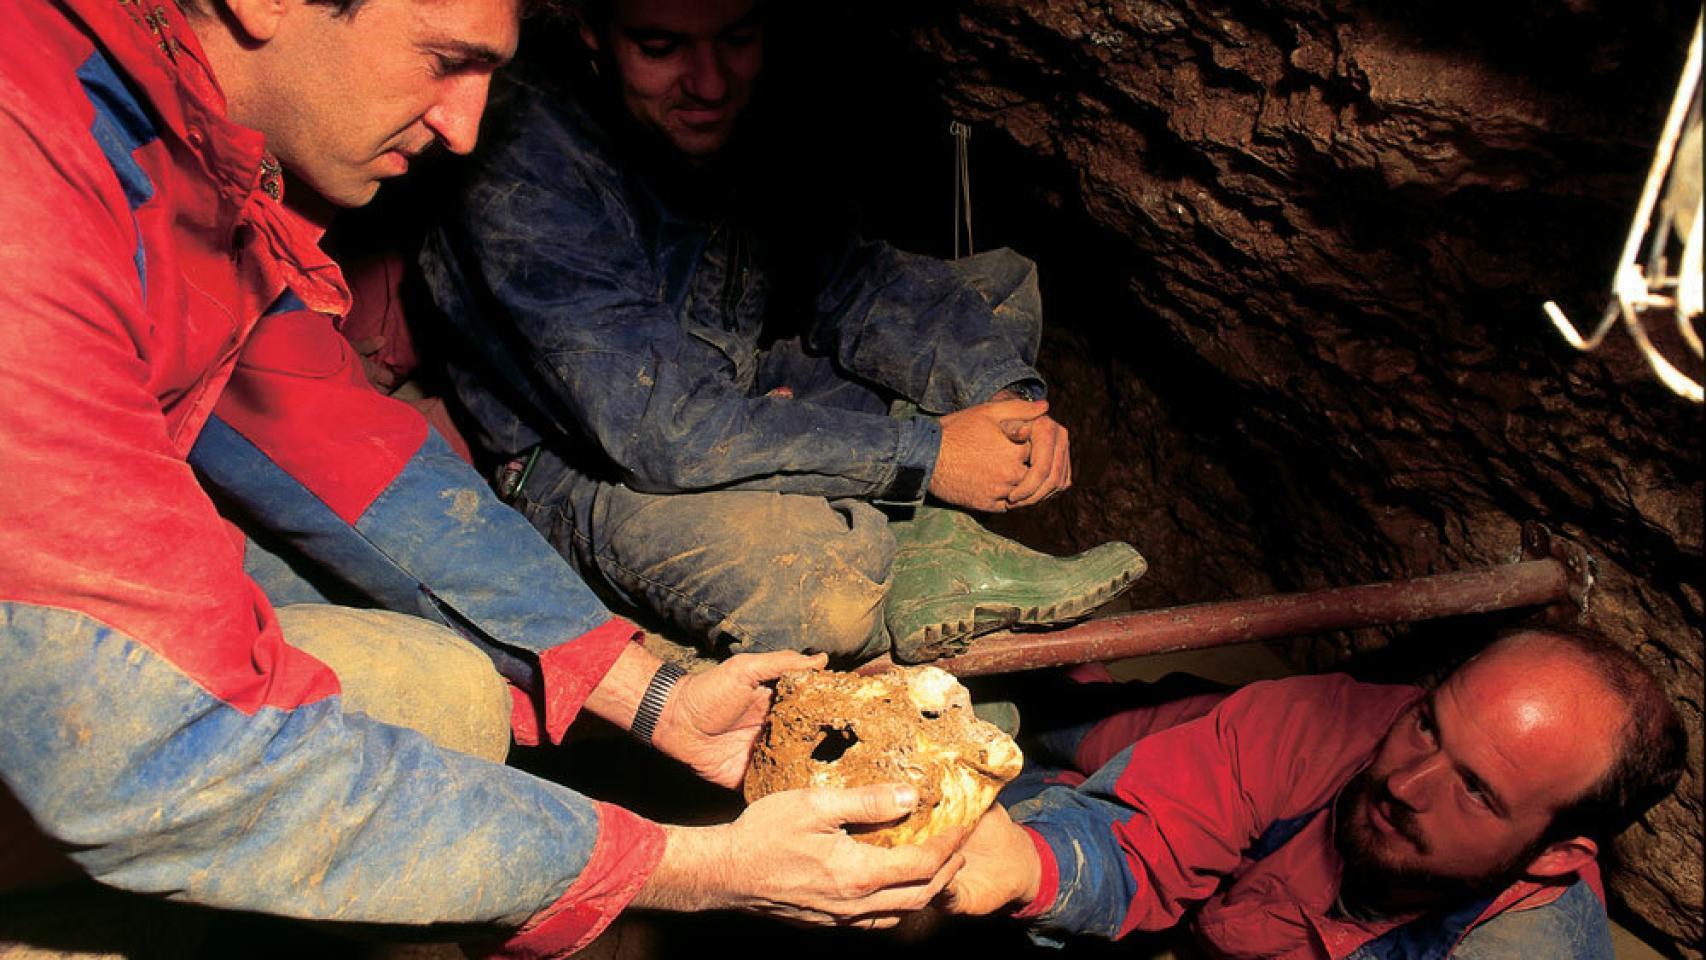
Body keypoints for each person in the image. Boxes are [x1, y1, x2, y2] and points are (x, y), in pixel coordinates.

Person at [0, 0, 965, 954]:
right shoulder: (28, 174)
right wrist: (679, 868)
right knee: (377, 719)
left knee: (442, 692)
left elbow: (333, 441)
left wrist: (650, 692)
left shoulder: (182, 149)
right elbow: (168, 751)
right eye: (441, 60)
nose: (465, 128)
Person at [418, 0, 1147, 665]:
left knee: (994, 292)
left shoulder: (736, 114)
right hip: (590, 470)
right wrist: (932, 453)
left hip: (733, 387)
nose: (708, 84)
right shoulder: (520, 162)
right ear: (593, 33)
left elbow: (854, 281)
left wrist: (1011, 404)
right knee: (823, 589)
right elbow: (663, 433)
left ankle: (923, 551)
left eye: (737, 38)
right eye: (660, 46)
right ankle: (913, 548)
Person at [938, 627, 1686, 958]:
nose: (1403, 782)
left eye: (1478, 792)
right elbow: (1145, 837)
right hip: (1244, 749)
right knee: (1077, 722)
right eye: (1428, 724)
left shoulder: (1524, 954)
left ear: (1557, 855)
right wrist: (1033, 863)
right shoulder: (1325, 727)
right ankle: (1059, 694)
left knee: (1048, 777)